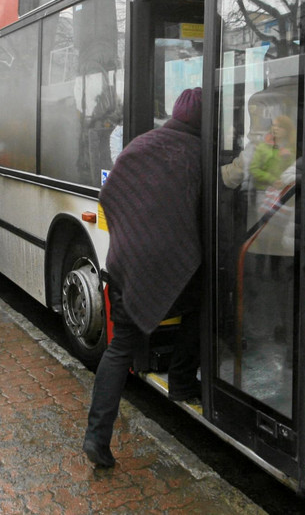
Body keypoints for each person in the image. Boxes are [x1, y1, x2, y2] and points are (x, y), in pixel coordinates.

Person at [82, 87, 204, 469]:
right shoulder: (199, 154)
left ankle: (96, 438)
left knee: (120, 349)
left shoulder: (140, 144)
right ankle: (183, 382)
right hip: (170, 267)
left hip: (125, 263)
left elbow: (109, 196)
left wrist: (129, 235)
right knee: (202, 307)